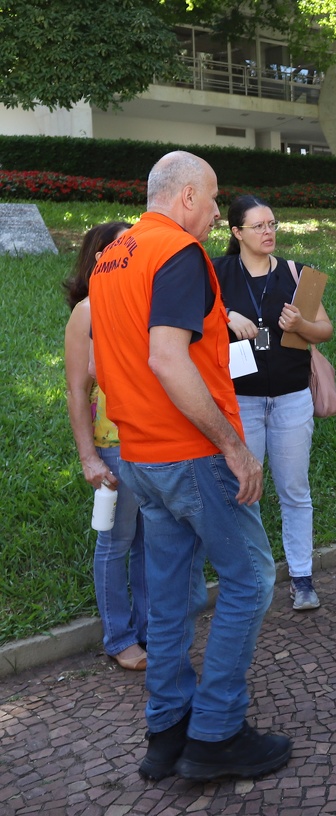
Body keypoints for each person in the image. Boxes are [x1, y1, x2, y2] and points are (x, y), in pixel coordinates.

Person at [89, 151, 291, 782]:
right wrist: (233, 445)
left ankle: (167, 729)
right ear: (183, 198)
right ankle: (216, 732)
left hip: (139, 456)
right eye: (209, 200)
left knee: (173, 592)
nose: (212, 211)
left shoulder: (109, 258)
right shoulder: (177, 251)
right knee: (252, 578)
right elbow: (168, 360)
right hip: (190, 454)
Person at [213, 195, 333, 611]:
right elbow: (192, 317)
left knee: (294, 489)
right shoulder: (217, 272)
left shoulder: (297, 274)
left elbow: (325, 330)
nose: (269, 232)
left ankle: (302, 578)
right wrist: (227, 315)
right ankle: (252, 578)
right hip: (240, 402)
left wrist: (302, 324)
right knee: (247, 491)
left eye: (273, 224)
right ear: (236, 232)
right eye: (259, 226)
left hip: (291, 399)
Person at [63, 221, 148, 672]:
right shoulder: (89, 311)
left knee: (150, 546)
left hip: (155, 443)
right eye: (122, 248)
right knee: (116, 544)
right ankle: (119, 637)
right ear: (101, 258)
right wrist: (88, 458)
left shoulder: (147, 300)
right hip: (114, 446)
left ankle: (150, 630)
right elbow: (78, 391)